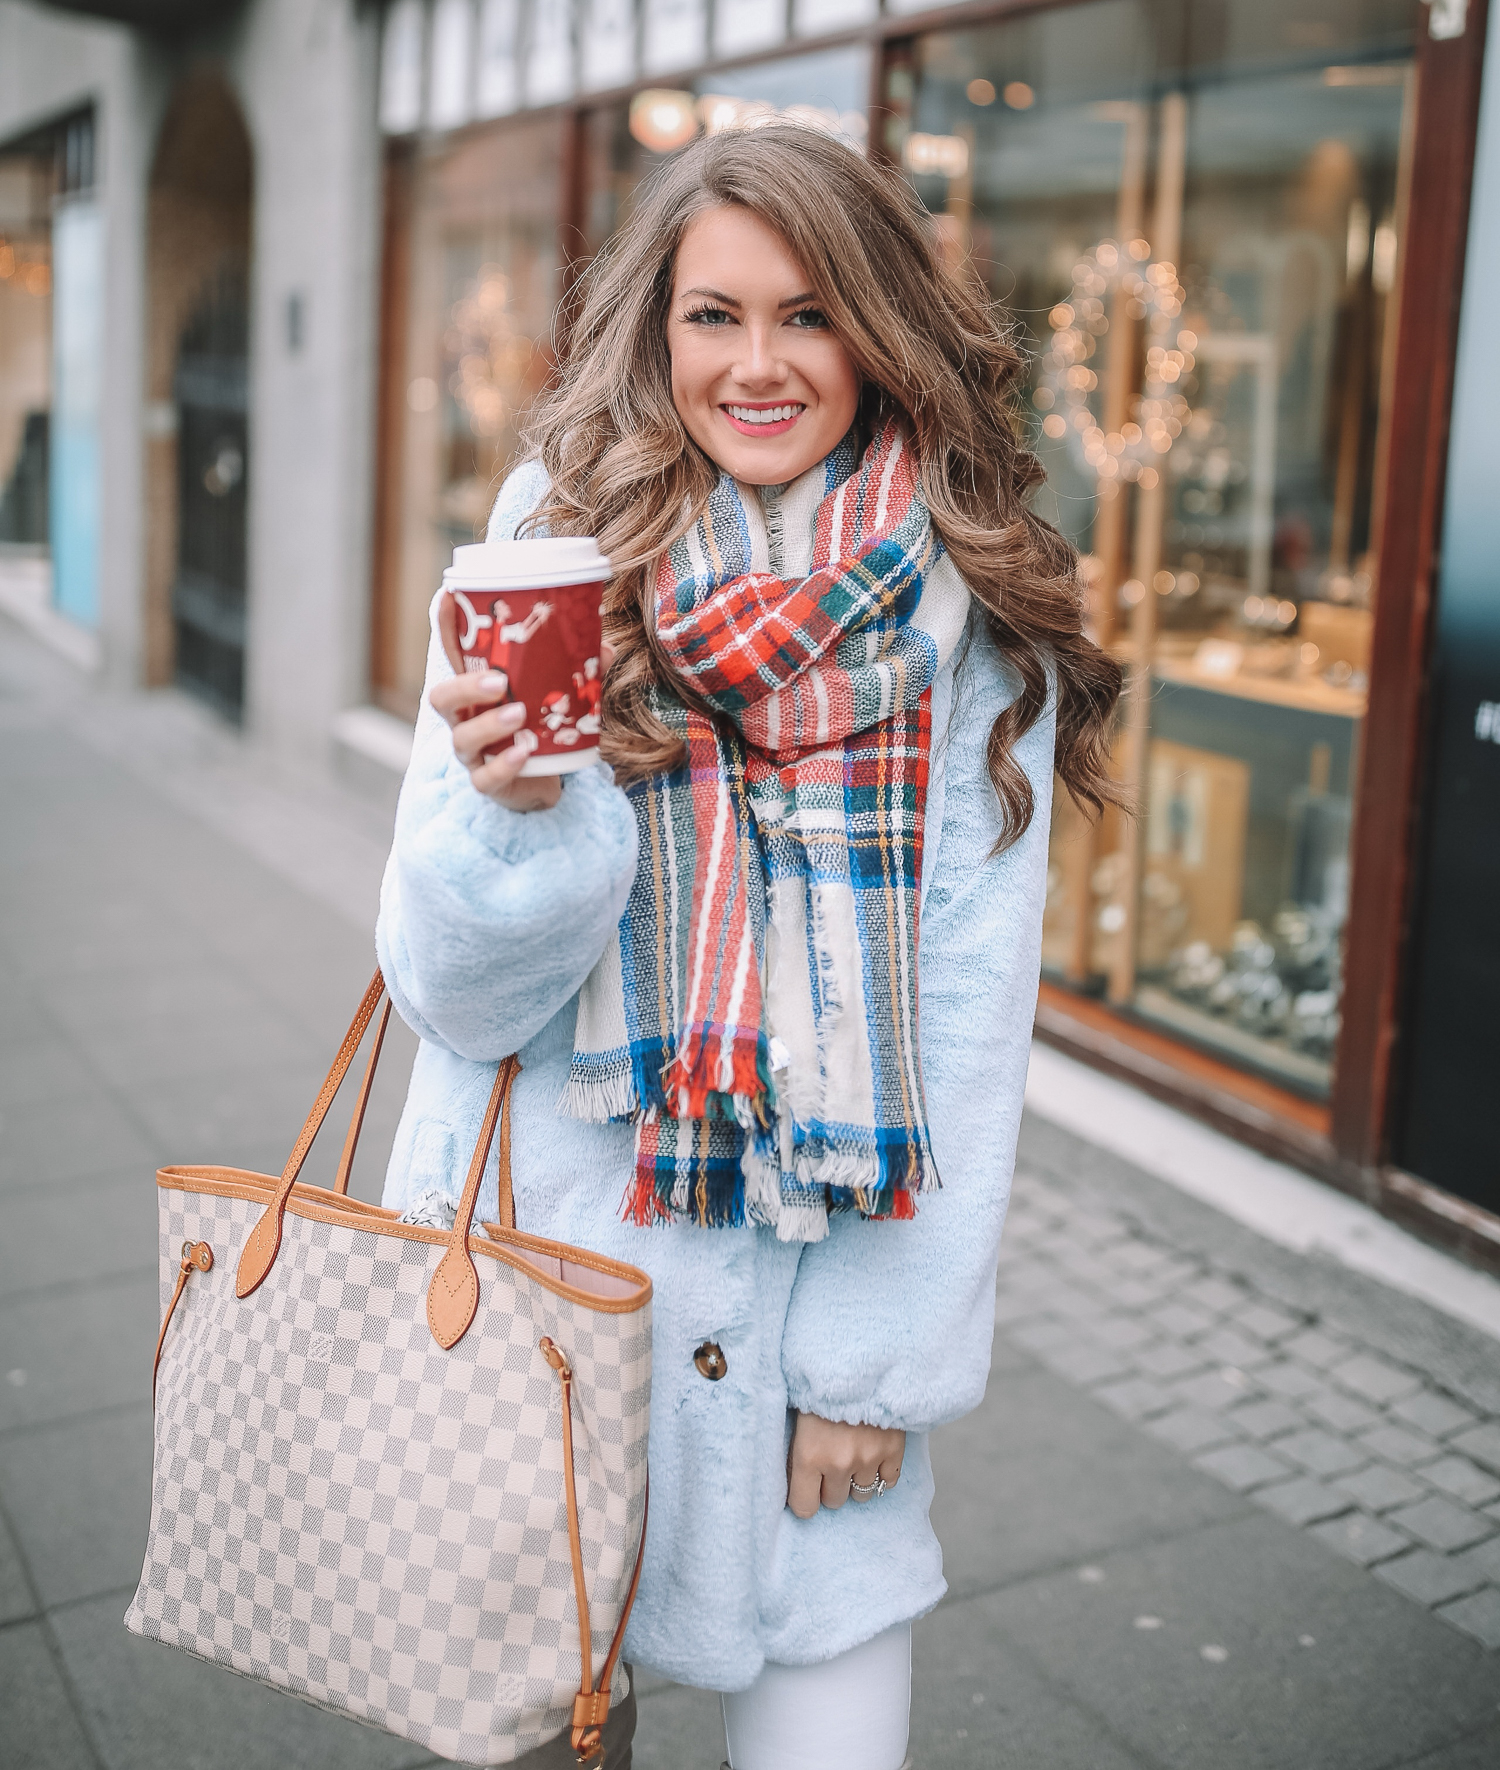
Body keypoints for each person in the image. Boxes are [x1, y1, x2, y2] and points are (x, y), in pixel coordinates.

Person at [375, 126, 1120, 1770]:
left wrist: (871, 1369)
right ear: (656, 327)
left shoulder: (972, 612)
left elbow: (971, 1010)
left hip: (807, 1324)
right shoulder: (555, 540)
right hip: (542, 1295)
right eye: (714, 315)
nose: (760, 364)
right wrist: (509, 810)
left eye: (809, 313)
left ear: (879, 324)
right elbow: (455, 998)